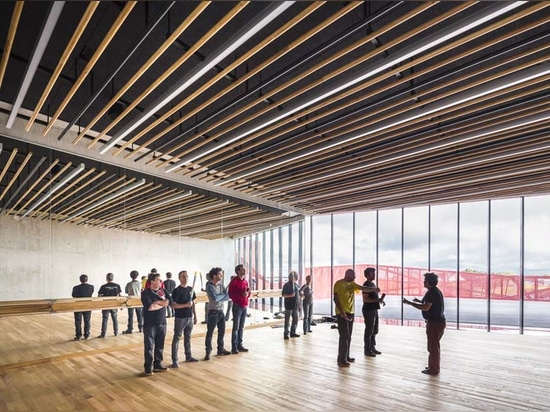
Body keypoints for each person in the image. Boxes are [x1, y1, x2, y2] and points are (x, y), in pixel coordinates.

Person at [333, 268, 379, 367]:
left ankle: (346, 356)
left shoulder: (353, 284)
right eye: (353, 275)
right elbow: (335, 299)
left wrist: (374, 289)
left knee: (348, 336)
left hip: (350, 312)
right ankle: (341, 359)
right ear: (348, 275)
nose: (355, 277)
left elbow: (363, 288)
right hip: (342, 313)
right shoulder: (338, 284)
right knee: (344, 336)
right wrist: (342, 312)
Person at [403, 272, 446, 375]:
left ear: (429, 282)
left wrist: (410, 303)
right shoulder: (435, 291)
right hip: (438, 322)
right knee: (434, 346)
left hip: (434, 323)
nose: (423, 282)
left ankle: (434, 369)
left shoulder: (431, 293)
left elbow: (425, 307)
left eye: (425, 280)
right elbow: (428, 304)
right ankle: (433, 365)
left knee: (433, 347)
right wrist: (418, 301)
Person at [141, 271, 172, 375]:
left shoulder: (163, 291)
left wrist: (158, 302)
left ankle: (158, 364)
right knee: (149, 346)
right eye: (159, 280)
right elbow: (150, 307)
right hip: (150, 324)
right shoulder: (145, 293)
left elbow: (169, 302)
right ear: (152, 281)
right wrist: (163, 303)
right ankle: (148, 366)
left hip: (162, 322)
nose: (161, 281)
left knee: (160, 344)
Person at [170, 270, 198, 367]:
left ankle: (188, 356)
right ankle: (175, 360)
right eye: (183, 276)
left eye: (186, 276)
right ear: (179, 278)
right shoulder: (176, 291)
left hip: (189, 317)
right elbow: (173, 306)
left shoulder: (191, 289)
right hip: (180, 318)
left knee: (188, 337)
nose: (185, 278)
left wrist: (195, 315)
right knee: (177, 337)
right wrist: (186, 305)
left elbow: (192, 303)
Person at [204, 267, 230, 360]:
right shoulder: (209, 286)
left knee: (222, 332)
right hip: (213, 312)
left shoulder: (221, 286)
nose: (221, 275)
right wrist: (222, 296)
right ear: (214, 276)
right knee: (210, 332)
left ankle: (220, 349)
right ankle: (208, 351)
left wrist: (221, 296)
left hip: (221, 311)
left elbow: (227, 297)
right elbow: (214, 299)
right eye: (219, 274)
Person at [228, 264, 251, 354]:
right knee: (236, 327)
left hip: (244, 305)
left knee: (241, 327)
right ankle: (234, 347)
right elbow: (230, 294)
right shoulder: (234, 282)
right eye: (242, 269)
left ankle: (240, 345)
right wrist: (241, 295)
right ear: (238, 271)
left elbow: (248, 292)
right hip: (237, 306)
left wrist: (247, 294)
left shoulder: (245, 281)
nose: (244, 270)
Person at [362, 267, 385, 357]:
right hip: (368, 310)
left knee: (374, 330)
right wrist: (377, 300)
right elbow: (366, 299)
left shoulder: (372, 284)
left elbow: (374, 298)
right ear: (367, 275)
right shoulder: (366, 285)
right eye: (372, 273)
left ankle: (372, 347)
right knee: (369, 330)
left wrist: (380, 300)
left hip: (374, 309)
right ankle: (367, 349)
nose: (374, 275)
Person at [97, 273, 122, 338]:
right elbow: (119, 295)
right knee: (115, 318)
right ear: (113, 278)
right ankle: (116, 332)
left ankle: (103, 334)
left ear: (106, 278)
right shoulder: (117, 286)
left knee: (105, 319)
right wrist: (121, 305)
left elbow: (99, 296)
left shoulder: (103, 286)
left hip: (106, 305)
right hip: (114, 304)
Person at [71, 274, 94, 340]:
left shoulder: (75, 287)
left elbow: (73, 295)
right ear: (87, 279)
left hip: (78, 306)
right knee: (87, 320)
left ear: (80, 280)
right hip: (88, 305)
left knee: (78, 321)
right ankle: (87, 335)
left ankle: (78, 336)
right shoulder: (91, 287)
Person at [282, 270, 300, 340]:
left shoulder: (296, 285)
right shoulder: (286, 285)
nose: (293, 278)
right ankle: (286, 333)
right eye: (292, 276)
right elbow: (283, 295)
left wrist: (299, 305)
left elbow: (297, 296)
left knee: (295, 320)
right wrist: (290, 295)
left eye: (294, 277)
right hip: (288, 306)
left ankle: (293, 332)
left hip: (295, 306)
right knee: (287, 320)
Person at [123, 270, 143, 334]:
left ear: (130, 276)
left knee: (130, 315)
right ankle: (141, 327)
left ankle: (130, 328)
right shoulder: (140, 283)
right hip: (138, 300)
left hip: (130, 300)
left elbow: (126, 291)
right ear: (137, 276)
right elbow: (142, 290)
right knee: (139, 315)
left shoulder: (129, 284)